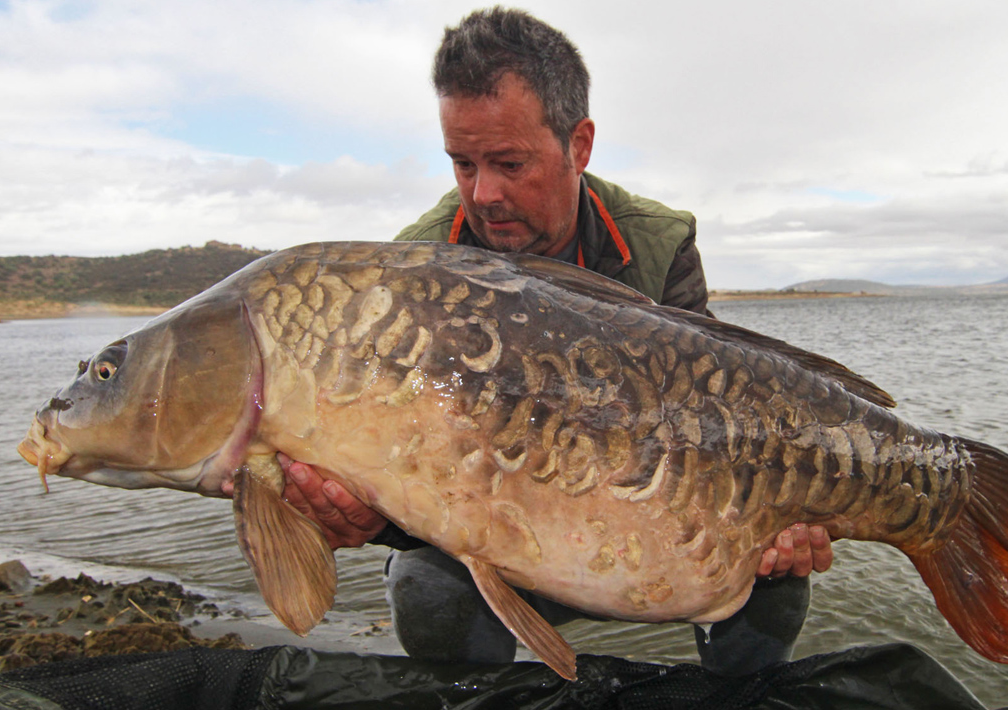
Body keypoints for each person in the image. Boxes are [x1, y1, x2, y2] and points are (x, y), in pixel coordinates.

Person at [273, 7, 833, 676]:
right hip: (492, 546)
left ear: (579, 144)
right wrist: (364, 517)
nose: (484, 193)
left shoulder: (658, 246)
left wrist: (789, 511)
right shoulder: (411, 274)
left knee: (775, 581)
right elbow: (400, 460)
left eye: (510, 163)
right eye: (462, 163)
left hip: (653, 544)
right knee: (426, 588)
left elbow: (714, 426)